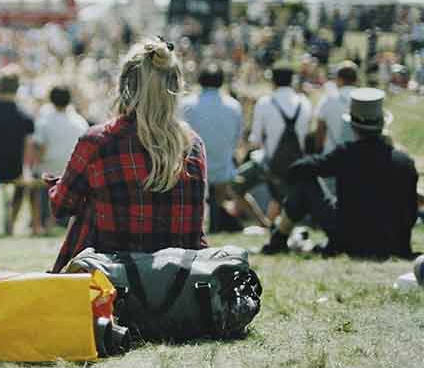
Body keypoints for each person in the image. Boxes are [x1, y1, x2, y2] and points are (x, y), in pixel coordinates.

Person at [49, 38, 207, 273]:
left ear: (123, 86)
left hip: (112, 282)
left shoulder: (98, 141)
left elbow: (61, 206)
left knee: (89, 206)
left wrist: (57, 184)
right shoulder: (192, 144)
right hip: (178, 282)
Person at [263, 88, 418, 258]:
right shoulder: (405, 162)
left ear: (352, 125)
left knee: (305, 183)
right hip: (395, 244)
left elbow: (297, 169)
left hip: (351, 239)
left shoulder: (347, 154)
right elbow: (410, 214)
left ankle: (278, 239)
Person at [233, 64, 312, 230]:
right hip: (297, 166)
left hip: (270, 166)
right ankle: (277, 225)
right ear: (293, 81)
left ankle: (263, 223)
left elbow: (255, 140)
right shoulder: (305, 103)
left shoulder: (265, 102)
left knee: (235, 185)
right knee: (281, 193)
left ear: (273, 81)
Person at [180, 65, 244, 233]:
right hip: (223, 169)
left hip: (192, 169)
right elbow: (237, 139)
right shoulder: (234, 106)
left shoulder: (187, 104)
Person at [0, 68, 36, 236]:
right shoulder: (25, 117)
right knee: (22, 186)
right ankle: (11, 223)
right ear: (17, 88)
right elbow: (28, 147)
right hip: (14, 170)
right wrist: (26, 170)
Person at [32, 86, 88, 235]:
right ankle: (51, 223)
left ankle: (38, 224)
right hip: (72, 168)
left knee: (35, 181)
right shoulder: (80, 121)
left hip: (49, 167)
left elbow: (40, 148)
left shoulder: (44, 120)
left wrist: (36, 164)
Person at [314, 61, 358, 153]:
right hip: (358, 157)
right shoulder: (365, 99)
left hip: (331, 154)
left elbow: (320, 130)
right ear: (356, 79)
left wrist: (317, 150)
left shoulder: (328, 100)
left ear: (338, 79)